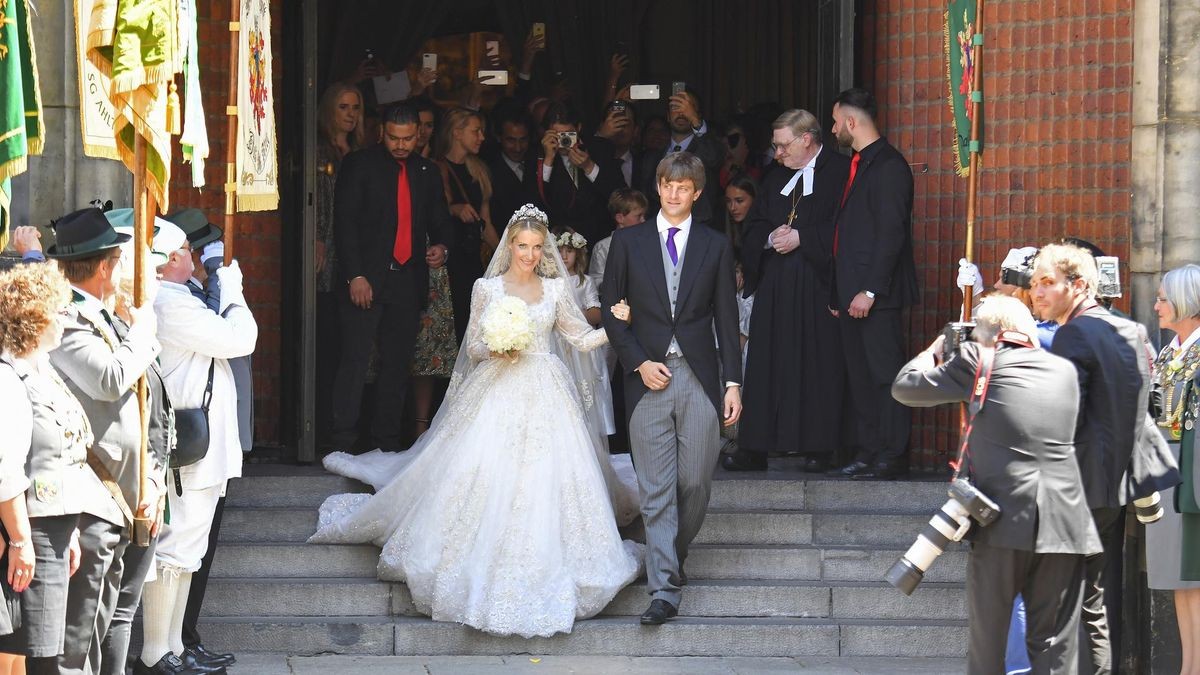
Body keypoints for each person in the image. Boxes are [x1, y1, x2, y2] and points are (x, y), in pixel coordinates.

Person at [311, 206, 640, 638]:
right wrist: (497, 349)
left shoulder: (557, 289)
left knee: (546, 473)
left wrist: (616, 326)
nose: (529, 254)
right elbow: (474, 347)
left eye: (537, 247)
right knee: (484, 469)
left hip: (545, 386)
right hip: (497, 388)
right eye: (523, 246)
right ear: (510, 245)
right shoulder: (486, 287)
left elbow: (579, 338)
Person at [892, 295, 1101, 674]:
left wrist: (934, 350)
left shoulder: (979, 359)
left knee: (989, 644)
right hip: (1067, 522)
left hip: (1003, 520)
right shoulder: (1063, 371)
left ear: (986, 335)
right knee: (1054, 647)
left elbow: (905, 388)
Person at [600, 152, 743, 625]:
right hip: (647, 380)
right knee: (656, 487)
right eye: (667, 185)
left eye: (684, 187)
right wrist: (639, 362)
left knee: (696, 481)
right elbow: (610, 310)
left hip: (700, 376)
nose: (674, 193)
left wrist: (732, 382)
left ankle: (669, 555)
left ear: (697, 193)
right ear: (658, 187)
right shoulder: (628, 242)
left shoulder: (716, 245)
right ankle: (664, 588)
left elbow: (726, 317)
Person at [1031, 243, 1180, 675]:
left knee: (1062, 608)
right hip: (1114, 489)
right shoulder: (1131, 330)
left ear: (1077, 286)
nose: (1037, 293)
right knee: (1091, 604)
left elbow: (1059, 414)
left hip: (1073, 487)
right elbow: (1146, 407)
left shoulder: (1074, 333)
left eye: (1047, 283)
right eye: (1036, 283)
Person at [44, 208, 167, 675]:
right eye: (118, 260)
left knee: (100, 631)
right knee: (78, 643)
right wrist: (143, 333)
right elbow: (111, 379)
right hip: (90, 499)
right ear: (103, 267)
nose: (122, 270)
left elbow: (151, 401)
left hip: (121, 498)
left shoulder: (107, 319)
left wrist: (152, 477)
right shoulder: (69, 321)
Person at [141, 224, 256, 675]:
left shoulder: (180, 299)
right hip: (188, 442)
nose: (194, 257)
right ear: (171, 259)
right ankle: (155, 652)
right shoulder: (169, 303)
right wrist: (233, 293)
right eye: (187, 250)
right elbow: (240, 338)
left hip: (205, 442)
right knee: (176, 546)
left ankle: (173, 647)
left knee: (189, 547)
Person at [0, 263, 117, 675]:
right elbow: (7, 471)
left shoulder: (41, 369)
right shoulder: (9, 376)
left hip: (52, 528)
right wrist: (19, 541)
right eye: (58, 310)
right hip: (27, 532)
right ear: (34, 316)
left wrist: (67, 532)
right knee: (29, 658)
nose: (66, 318)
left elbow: (66, 453)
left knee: (41, 655)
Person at [724, 109, 848, 473]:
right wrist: (767, 237)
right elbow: (755, 223)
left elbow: (849, 228)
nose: (776, 154)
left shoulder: (840, 173)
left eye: (782, 146)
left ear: (806, 139)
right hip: (776, 284)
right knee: (766, 363)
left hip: (815, 283)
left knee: (815, 362)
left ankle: (819, 446)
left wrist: (803, 238)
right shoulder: (777, 176)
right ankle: (756, 444)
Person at [330, 103, 453, 453]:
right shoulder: (360, 164)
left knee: (397, 366)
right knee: (354, 360)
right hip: (365, 277)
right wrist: (355, 275)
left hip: (407, 280)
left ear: (420, 135)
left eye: (408, 138)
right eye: (394, 138)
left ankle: (384, 445)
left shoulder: (427, 170)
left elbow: (440, 218)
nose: (400, 145)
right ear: (382, 132)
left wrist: (443, 247)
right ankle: (342, 443)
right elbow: (346, 223)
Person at [827, 87, 920, 480]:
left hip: (874, 296)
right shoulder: (859, 164)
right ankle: (868, 450)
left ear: (851, 122)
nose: (832, 130)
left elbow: (889, 235)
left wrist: (869, 290)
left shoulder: (888, 166)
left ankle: (892, 453)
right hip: (851, 293)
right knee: (861, 375)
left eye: (835, 122)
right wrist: (840, 290)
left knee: (884, 374)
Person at [1147, 264, 1200, 674]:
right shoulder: (1169, 350)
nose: (1157, 306)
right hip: (1168, 465)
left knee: (1195, 579)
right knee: (1180, 583)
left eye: (1163, 298)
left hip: (1194, 470)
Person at [314, 83, 365, 443]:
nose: (350, 114)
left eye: (356, 107)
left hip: (355, 249)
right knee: (326, 333)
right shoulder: (319, 149)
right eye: (344, 106)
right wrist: (315, 239)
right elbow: (317, 201)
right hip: (326, 247)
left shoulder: (361, 152)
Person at [436, 107, 499, 345]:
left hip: (473, 258)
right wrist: (454, 209)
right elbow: (430, 213)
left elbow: (487, 222)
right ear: (457, 133)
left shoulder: (479, 170)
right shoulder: (436, 168)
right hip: (449, 259)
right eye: (476, 131)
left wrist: (503, 255)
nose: (482, 137)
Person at [537, 104, 623, 246]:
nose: (563, 140)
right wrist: (548, 161)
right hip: (560, 246)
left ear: (579, 128)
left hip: (598, 240)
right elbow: (535, 204)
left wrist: (589, 167)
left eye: (568, 134)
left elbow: (619, 195)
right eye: (557, 135)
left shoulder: (600, 149)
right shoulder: (538, 155)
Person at [638, 90, 724, 224]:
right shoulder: (652, 156)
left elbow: (713, 158)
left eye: (688, 107)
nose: (681, 113)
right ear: (668, 115)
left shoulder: (707, 147)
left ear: (697, 114)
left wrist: (696, 121)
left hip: (699, 229)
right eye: (675, 107)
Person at [486, 112, 541, 230]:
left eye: (523, 140)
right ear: (499, 138)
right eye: (511, 140)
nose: (518, 148)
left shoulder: (538, 163)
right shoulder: (488, 172)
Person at [720, 173, 756, 262]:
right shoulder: (722, 228)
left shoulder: (764, 232)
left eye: (739, 201)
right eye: (728, 201)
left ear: (754, 199)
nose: (732, 207)